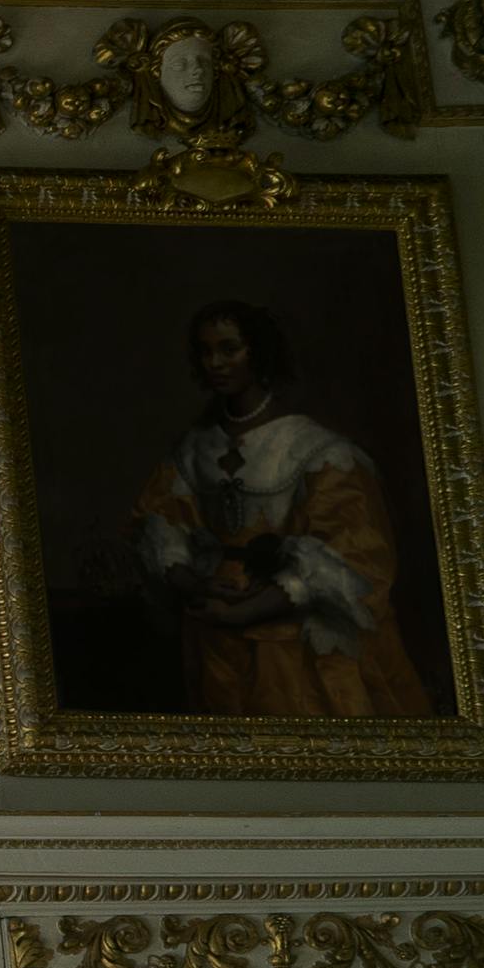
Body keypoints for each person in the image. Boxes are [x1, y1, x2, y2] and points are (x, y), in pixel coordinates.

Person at [131, 298, 431, 721]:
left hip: (288, 640)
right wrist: (195, 585)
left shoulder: (318, 450)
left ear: (260, 351)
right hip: (212, 632)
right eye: (205, 351)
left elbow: (349, 556)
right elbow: (160, 525)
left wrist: (241, 612)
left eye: (229, 349)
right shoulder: (194, 447)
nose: (215, 362)